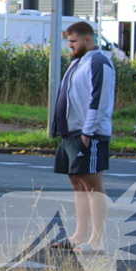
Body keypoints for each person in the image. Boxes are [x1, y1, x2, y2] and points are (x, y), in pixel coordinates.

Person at [50, 20, 115, 254]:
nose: (70, 46)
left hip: (88, 134)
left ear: (87, 40)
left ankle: (97, 241)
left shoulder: (99, 62)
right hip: (71, 132)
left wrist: (88, 131)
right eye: (69, 41)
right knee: (77, 183)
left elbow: (100, 99)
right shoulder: (78, 61)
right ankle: (79, 235)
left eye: (73, 41)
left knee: (92, 185)